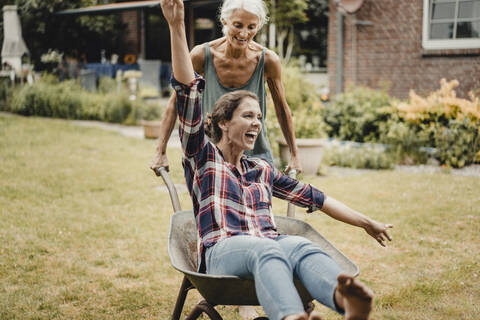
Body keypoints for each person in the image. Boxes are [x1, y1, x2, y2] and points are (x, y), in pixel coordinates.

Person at [159, 0, 394, 319]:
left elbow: (319, 199)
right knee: (268, 248)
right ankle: (289, 315)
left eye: (258, 117)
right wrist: (175, 27)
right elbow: (186, 92)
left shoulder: (262, 170)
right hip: (222, 252)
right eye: (247, 116)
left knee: (300, 246)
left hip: (265, 243)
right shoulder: (203, 158)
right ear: (225, 123)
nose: (257, 123)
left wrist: (367, 222)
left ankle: (344, 300)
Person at [150, 0, 301, 175]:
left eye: (251, 27)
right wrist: (160, 151)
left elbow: (282, 108)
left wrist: (294, 154)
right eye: (238, 25)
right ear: (224, 21)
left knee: (258, 202)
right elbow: (176, 103)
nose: (244, 33)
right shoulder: (202, 55)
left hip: (254, 154)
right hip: (212, 154)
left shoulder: (268, 60)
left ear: (258, 26)